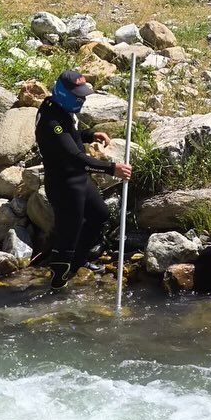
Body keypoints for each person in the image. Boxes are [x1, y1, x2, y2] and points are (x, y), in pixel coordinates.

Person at [35, 70, 132, 289]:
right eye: (78, 95)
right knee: (69, 231)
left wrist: (89, 135)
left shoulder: (60, 109)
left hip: (78, 180)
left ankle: (78, 263)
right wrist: (111, 168)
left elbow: (70, 134)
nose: (82, 99)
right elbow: (74, 157)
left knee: (99, 214)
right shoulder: (51, 121)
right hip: (64, 185)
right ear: (63, 92)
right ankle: (57, 281)